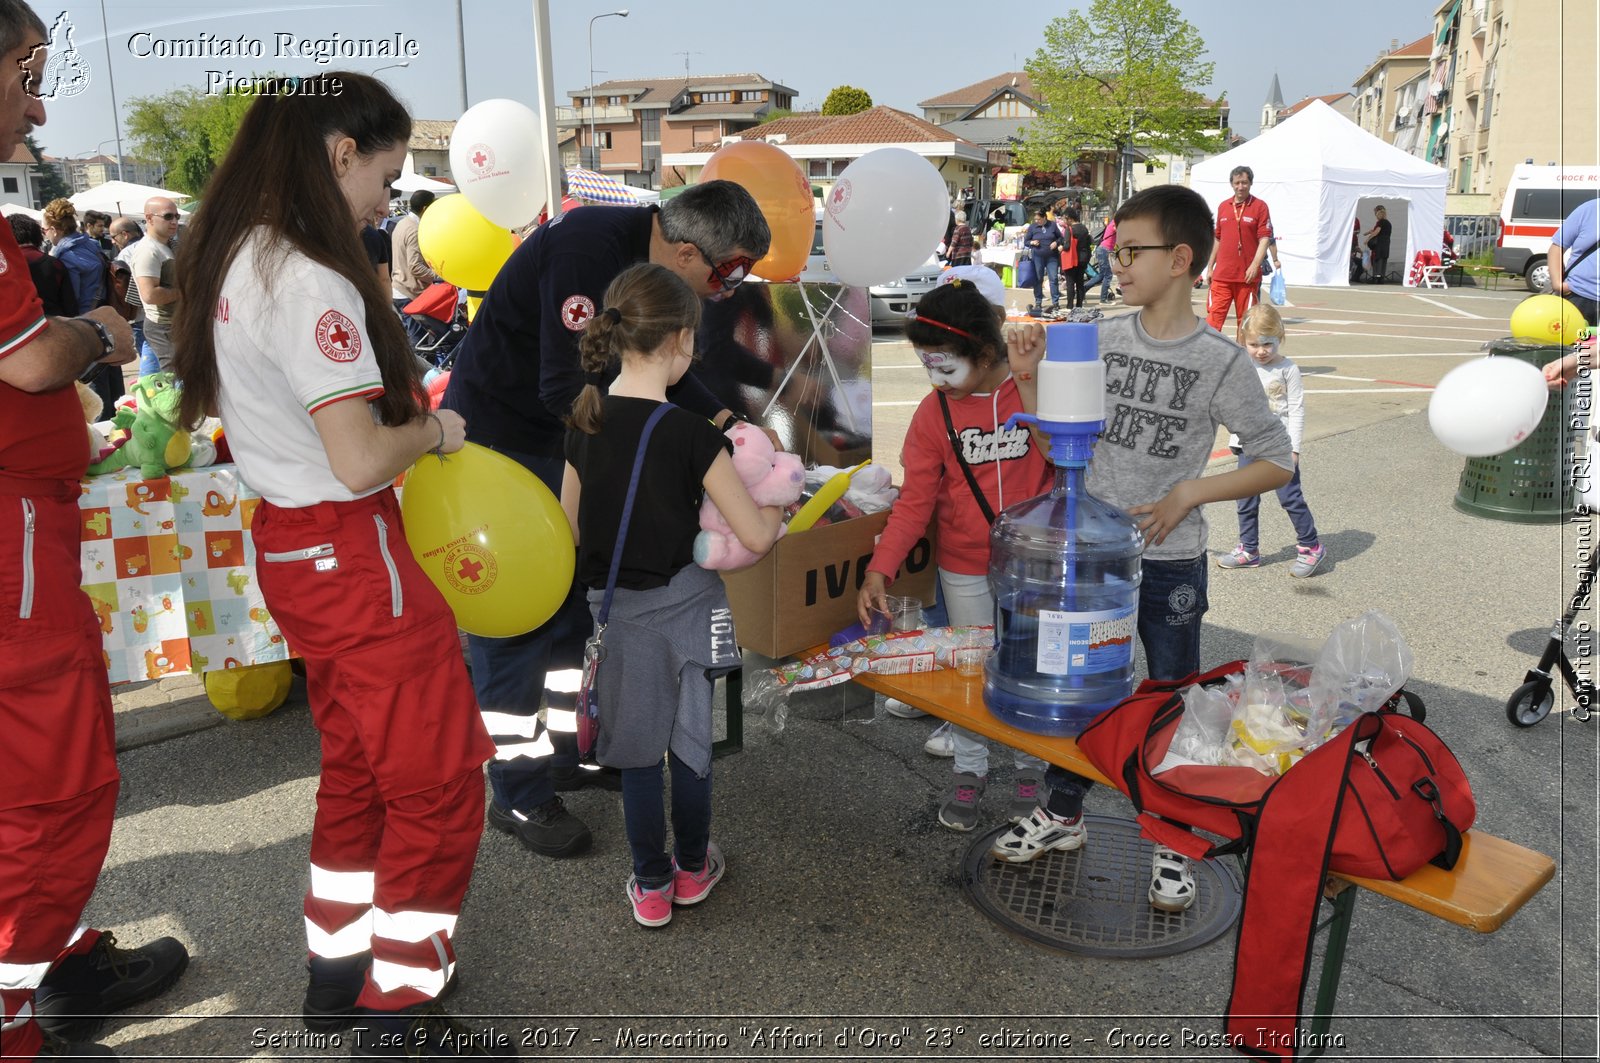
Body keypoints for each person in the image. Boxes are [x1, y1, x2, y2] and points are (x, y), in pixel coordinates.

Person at [170, 72, 504, 1057]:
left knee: (359, 770)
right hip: (353, 551)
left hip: (296, 547)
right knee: (440, 788)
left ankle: (339, 971)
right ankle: (399, 1012)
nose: (387, 201)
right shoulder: (308, 277)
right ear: (338, 153)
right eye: (386, 175)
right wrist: (438, 430)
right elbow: (360, 455)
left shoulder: (236, 254)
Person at [440, 181, 770, 861]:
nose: (730, 289)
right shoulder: (588, 248)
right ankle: (518, 791)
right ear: (683, 252)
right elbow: (564, 386)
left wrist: (724, 423)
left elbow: (663, 372)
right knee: (518, 618)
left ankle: (573, 750)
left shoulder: (656, 273)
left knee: (578, 606)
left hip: (578, 435)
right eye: (727, 272)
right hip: (507, 437)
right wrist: (658, 450)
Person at [995, 184, 1294, 913]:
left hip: (1168, 563)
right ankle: (1063, 810)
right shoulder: (1101, 337)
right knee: (1085, 687)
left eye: (1132, 250)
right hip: (1090, 560)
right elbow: (1054, 443)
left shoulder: (1221, 359)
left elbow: (1276, 460)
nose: (1116, 263)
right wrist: (1031, 373)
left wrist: (1189, 492)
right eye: (1113, 250)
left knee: (1171, 697)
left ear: (1182, 259)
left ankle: (1172, 835)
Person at [0, 3, 191, 1059]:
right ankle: (18, 1014)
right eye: (26, 72)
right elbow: (28, 362)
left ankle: (55, 967)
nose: (40, 100)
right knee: (51, 789)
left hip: (23, 529)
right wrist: (100, 331)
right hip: (11, 552)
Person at [560, 262, 782, 928]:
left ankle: (650, 883)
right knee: (696, 744)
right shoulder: (693, 434)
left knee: (633, 753)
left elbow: (566, 531)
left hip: (619, 618)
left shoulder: (584, 420)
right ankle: (692, 866)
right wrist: (781, 506)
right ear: (683, 341)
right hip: (696, 612)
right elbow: (754, 534)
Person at [854, 268, 1053, 831]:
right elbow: (915, 504)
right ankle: (970, 768)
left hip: (1035, 566)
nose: (935, 375)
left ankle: (1028, 768)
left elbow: (1065, 457)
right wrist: (880, 570)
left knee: (1028, 666)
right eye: (926, 363)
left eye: (946, 361)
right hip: (963, 565)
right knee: (970, 666)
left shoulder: (1032, 387)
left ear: (986, 350)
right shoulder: (932, 414)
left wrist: (1030, 375)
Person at [1215, 303, 1325, 577]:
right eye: (1254, 344)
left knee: (1291, 498)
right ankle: (1249, 549)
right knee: (1245, 499)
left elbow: (1296, 409)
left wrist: (1294, 449)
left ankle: (1311, 546)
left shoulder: (1288, 369)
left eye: (1268, 343)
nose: (1261, 350)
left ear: (1281, 338)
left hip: (1279, 447)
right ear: (1242, 340)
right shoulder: (1239, 365)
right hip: (1248, 445)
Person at [1203, 165, 1273, 343]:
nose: (1240, 186)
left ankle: (1242, 360)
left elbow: (1265, 238)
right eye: (1237, 183)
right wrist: (1210, 267)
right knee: (1213, 320)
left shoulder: (1260, 207)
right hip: (1222, 276)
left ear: (1250, 184)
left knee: (1246, 323)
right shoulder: (1223, 207)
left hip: (1247, 277)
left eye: (1244, 183)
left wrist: (1255, 265)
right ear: (1231, 184)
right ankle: (1208, 358)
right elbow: (1217, 239)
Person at [130, 197, 179, 373]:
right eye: (167, 216)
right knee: (175, 381)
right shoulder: (148, 250)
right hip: (163, 327)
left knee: (158, 379)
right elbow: (150, 295)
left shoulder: (166, 245)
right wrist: (185, 291)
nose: (174, 221)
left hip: (172, 325)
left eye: (176, 216)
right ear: (149, 218)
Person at [389, 189, 438, 347]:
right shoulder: (414, 230)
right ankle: (420, 372)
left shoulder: (401, 223)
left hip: (399, 288)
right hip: (409, 292)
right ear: (425, 209)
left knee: (413, 339)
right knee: (419, 343)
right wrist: (437, 277)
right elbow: (415, 266)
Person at [41, 199, 102, 315]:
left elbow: (71, 297)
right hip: (102, 309)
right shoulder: (91, 244)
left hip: (84, 317)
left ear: (53, 230)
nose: (44, 234)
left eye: (44, 230)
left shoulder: (66, 257)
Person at [1547, 196, 1599, 327]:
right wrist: (1558, 284)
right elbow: (1557, 247)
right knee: (1579, 346)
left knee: (1591, 347)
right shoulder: (1589, 209)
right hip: (1580, 298)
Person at [1023, 208, 1061, 315]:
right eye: (1035, 219)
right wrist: (1032, 242)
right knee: (1038, 279)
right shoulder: (1032, 227)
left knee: (1053, 278)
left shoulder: (1052, 225)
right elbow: (1026, 241)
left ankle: (1055, 302)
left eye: (1039, 219)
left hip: (1051, 256)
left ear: (1044, 218)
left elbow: (1060, 238)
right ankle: (1038, 301)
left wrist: (1056, 243)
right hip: (1038, 256)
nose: (1037, 221)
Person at [1059, 206, 1091, 310]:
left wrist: (1061, 247)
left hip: (1072, 260)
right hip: (1083, 259)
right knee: (1080, 283)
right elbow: (1088, 243)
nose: (1064, 221)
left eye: (1065, 219)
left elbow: (1067, 246)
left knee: (1070, 283)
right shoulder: (1084, 228)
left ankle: (1069, 307)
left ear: (1070, 218)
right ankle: (1079, 306)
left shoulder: (1070, 229)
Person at [1363, 205, 1392, 284]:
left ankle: (1376, 278)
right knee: (1383, 261)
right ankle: (1381, 278)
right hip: (1386, 244)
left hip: (1379, 245)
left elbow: (1377, 232)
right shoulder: (1388, 223)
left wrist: (1367, 239)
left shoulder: (1381, 222)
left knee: (1377, 260)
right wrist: (1369, 232)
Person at [1095, 218, 1117, 304]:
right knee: (1108, 275)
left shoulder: (1112, 223)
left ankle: (1083, 289)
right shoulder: (1114, 223)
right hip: (1104, 250)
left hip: (1102, 249)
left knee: (1101, 275)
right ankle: (1103, 299)